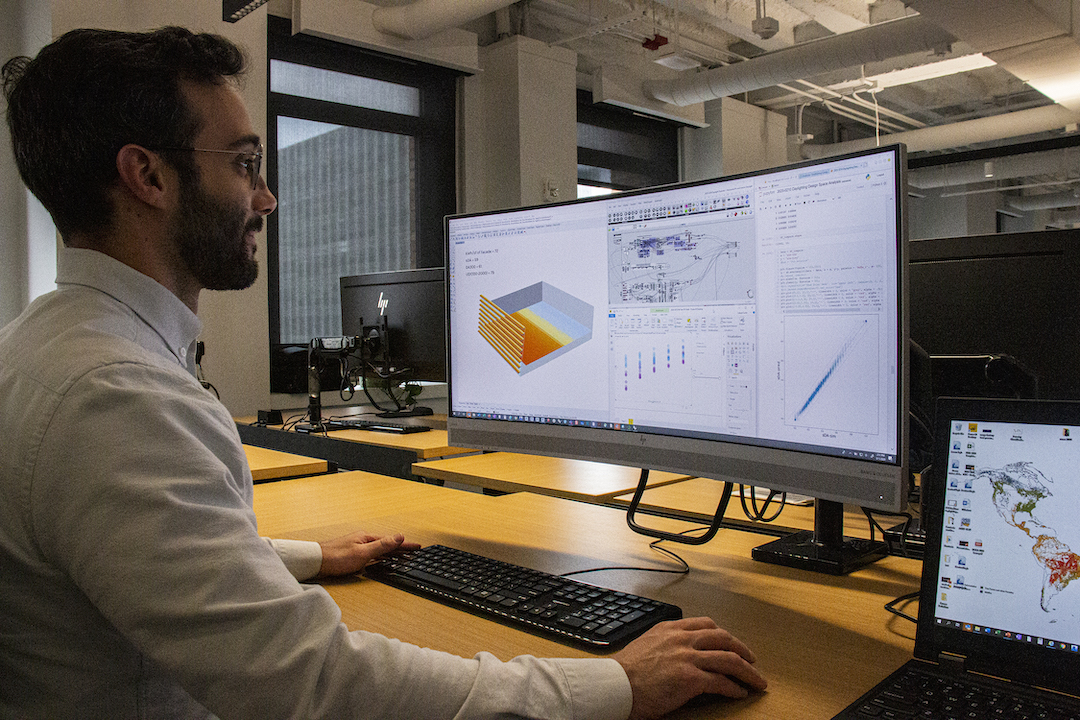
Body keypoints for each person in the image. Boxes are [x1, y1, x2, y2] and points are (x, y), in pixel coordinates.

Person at [0, 26, 767, 720]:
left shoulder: (43, 349)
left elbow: (141, 557)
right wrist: (613, 685)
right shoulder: (118, 400)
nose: (266, 196)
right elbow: (316, 684)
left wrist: (300, 557)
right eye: (243, 163)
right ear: (148, 176)